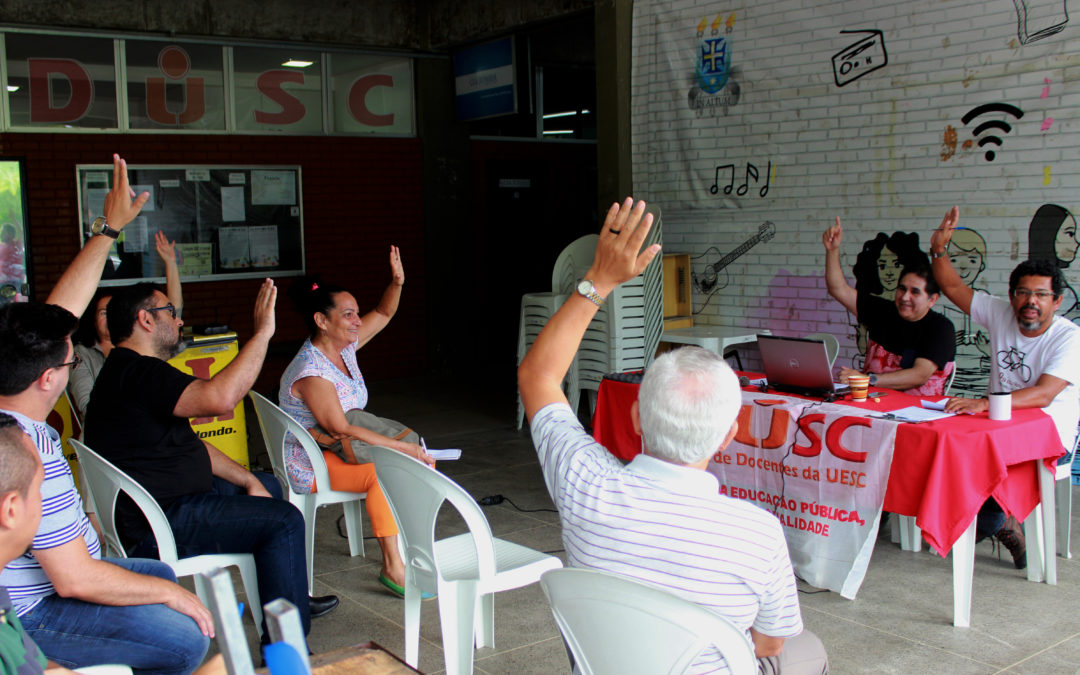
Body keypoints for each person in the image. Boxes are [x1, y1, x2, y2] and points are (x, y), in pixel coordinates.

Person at [518, 198, 828, 675]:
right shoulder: (758, 534)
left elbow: (538, 376)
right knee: (810, 652)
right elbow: (767, 644)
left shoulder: (584, 484)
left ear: (637, 417)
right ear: (729, 436)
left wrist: (598, 279)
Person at [0, 154, 213, 674]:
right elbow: (74, 579)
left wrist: (110, 228)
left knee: (157, 574)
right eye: (67, 353)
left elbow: (57, 316)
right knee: (185, 637)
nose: (71, 347)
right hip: (37, 607)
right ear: (50, 378)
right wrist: (173, 601)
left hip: (67, 571)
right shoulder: (23, 454)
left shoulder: (12, 391)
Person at [83, 279, 339, 642]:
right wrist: (263, 334)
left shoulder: (129, 370)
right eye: (171, 312)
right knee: (284, 521)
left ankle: (290, 594)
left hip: (167, 500)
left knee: (267, 485)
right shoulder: (140, 372)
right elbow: (220, 399)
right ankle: (286, 644)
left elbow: (191, 445)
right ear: (145, 319)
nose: (179, 321)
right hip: (160, 521)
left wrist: (248, 480)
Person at [932, 206, 1080, 569]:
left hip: (1049, 439)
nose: (1031, 301)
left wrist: (984, 402)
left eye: (1041, 295)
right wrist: (938, 251)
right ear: (1012, 295)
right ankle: (995, 522)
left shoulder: (1070, 338)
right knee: (946, 446)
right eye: (1023, 292)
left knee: (983, 473)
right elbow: (952, 286)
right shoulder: (1000, 311)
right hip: (996, 429)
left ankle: (995, 521)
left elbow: (1045, 394)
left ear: (1056, 301)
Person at [279, 250, 433, 598]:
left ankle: (411, 553)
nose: (357, 321)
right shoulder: (313, 370)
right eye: (348, 314)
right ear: (321, 320)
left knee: (403, 466)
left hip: (333, 447)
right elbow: (341, 429)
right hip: (311, 459)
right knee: (386, 473)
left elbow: (384, 312)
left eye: (356, 313)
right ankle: (393, 565)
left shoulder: (342, 348)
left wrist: (397, 282)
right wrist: (401, 446)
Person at [824, 218, 956, 396]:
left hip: (918, 414)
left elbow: (918, 375)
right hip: (871, 405)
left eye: (915, 292)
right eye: (901, 289)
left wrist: (867, 380)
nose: (905, 297)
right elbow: (837, 289)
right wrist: (832, 250)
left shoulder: (941, 328)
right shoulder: (883, 311)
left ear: (932, 300)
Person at [68, 231, 184, 421]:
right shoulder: (82, 355)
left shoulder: (140, 344)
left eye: (112, 313)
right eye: (103, 313)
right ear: (92, 319)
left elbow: (172, 312)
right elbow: (87, 407)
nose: (109, 318)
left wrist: (170, 264)